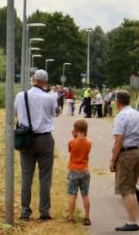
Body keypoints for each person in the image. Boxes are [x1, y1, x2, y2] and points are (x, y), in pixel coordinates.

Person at [14, 69, 59, 221]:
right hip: (44, 139)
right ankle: (44, 211)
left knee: (26, 176)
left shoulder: (21, 96)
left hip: (26, 139)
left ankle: (25, 211)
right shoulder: (50, 97)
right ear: (45, 82)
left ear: (33, 79)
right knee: (45, 177)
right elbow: (54, 114)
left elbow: (16, 113)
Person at [109, 90, 139, 231]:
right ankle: (134, 219)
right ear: (129, 101)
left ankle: (132, 222)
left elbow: (119, 140)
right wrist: (136, 145)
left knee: (125, 189)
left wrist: (113, 160)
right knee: (131, 188)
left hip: (126, 154)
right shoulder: (138, 115)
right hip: (137, 151)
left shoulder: (121, 116)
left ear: (117, 101)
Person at [67, 118, 92, 225]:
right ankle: (86, 217)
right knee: (85, 195)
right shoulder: (89, 142)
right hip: (85, 170)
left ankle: (71, 217)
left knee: (73, 194)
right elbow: (87, 150)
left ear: (75, 129)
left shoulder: (71, 142)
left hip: (74, 170)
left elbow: (70, 150)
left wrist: (74, 137)